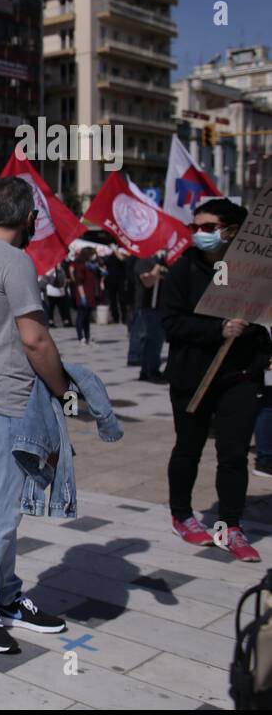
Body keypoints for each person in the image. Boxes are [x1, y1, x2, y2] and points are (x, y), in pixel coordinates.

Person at [0, 177, 69, 654]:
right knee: (1, 511)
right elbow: (35, 339)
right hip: (4, 398)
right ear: (29, 218)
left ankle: (6, 596)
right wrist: (64, 390)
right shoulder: (16, 260)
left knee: (6, 507)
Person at [159, 198, 271, 562]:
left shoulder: (252, 274)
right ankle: (182, 515)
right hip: (193, 378)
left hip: (239, 378)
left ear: (232, 231)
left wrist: (256, 345)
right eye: (195, 228)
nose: (199, 234)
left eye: (208, 228)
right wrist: (218, 329)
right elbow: (172, 323)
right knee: (188, 448)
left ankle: (230, 526)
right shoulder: (182, 271)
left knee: (234, 455)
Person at [129, 250, 167, 380]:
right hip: (148, 306)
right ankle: (149, 370)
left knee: (156, 340)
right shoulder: (144, 260)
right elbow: (148, 281)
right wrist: (158, 266)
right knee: (152, 339)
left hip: (159, 305)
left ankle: (150, 369)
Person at [70, 247, 100, 344]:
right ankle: (80, 337)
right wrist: (82, 296)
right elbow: (79, 282)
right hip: (83, 295)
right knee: (81, 316)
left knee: (87, 317)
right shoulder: (81, 266)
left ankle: (87, 336)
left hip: (90, 294)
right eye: (92, 254)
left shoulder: (91, 266)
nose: (93, 256)